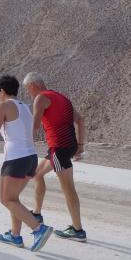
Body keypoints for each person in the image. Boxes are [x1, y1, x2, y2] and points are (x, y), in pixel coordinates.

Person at [0, 76, 54, 252]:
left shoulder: (3, 105)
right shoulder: (25, 107)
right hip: (31, 158)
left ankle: (38, 229)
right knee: (14, 199)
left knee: (6, 199)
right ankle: (15, 235)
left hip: (15, 158)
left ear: (1, 91)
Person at [22, 72, 87, 242]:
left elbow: (35, 126)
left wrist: (24, 146)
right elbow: (80, 120)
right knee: (37, 174)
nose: (28, 92)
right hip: (66, 146)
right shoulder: (61, 97)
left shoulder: (40, 98)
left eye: (27, 89)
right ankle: (37, 213)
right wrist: (80, 146)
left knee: (68, 188)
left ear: (32, 85)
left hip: (59, 148)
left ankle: (78, 230)